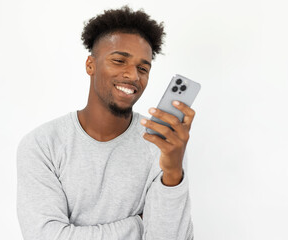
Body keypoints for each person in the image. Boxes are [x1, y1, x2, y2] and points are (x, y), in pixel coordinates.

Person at [17, 5, 195, 240]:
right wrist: (137, 225)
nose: (133, 75)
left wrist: (173, 172)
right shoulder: (42, 145)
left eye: (143, 68)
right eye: (120, 60)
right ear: (90, 65)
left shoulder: (161, 145)